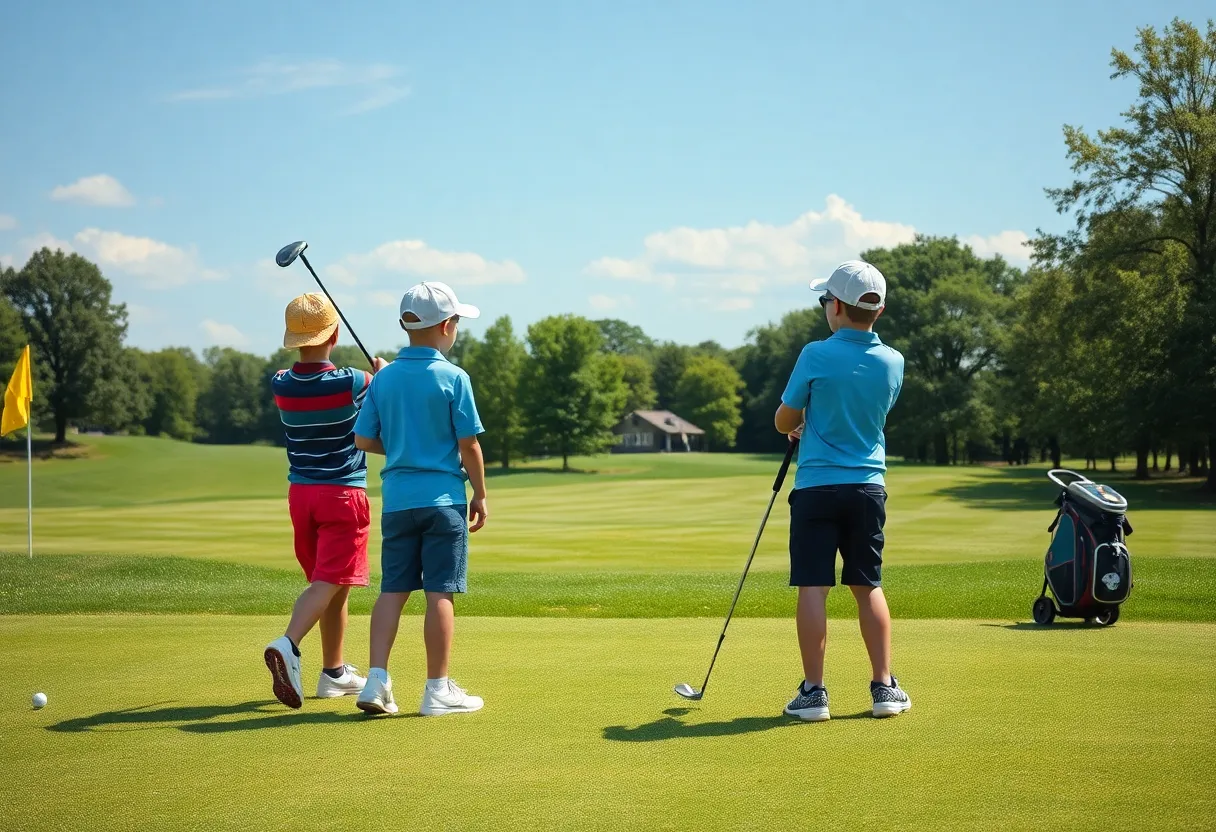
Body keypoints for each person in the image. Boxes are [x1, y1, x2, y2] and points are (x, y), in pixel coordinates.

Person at [773, 260, 912, 721]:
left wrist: (801, 423)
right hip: (868, 488)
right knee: (866, 584)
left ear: (835, 306)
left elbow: (783, 420)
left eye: (824, 301)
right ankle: (884, 688)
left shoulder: (814, 354)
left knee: (813, 586)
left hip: (816, 487)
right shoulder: (894, 361)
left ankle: (814, 693)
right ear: (879, 309)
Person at [352, 281, 489, 716]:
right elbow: (469, 446)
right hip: (443, 500)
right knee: (439, 593)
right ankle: (437, 689)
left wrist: (404, 441)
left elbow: (364, 438)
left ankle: (376, 681)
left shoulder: (384, 379)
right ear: (447, 326)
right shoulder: (455, 376)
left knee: (393, 591)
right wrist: (481, 494)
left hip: (397, 503)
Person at [264, 293, 388, 709]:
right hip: (342, 494)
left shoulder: (280, 382)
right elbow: (379, 392)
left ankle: (334, 672)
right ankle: (288, 643)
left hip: (302, 496)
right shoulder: (353, 381)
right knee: (330, 581)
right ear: (335, 333)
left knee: (333, 584)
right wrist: (383, 373)